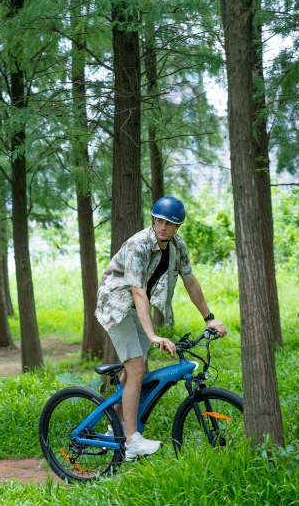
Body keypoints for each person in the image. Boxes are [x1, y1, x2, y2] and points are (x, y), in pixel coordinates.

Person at [95, 196, 228, 460]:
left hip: (135, 307)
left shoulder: (177, 245)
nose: (163, 227)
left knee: (134, 370)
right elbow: (137, 292)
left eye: (170, 223)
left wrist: (208, 317)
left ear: (178, 227)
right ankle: (132, 441)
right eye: (159, 220)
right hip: (117, 305)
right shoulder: (138, 245)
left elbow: (190, 280)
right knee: (137, 370)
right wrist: (153, 335)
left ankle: (115, 429)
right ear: (153, 219)